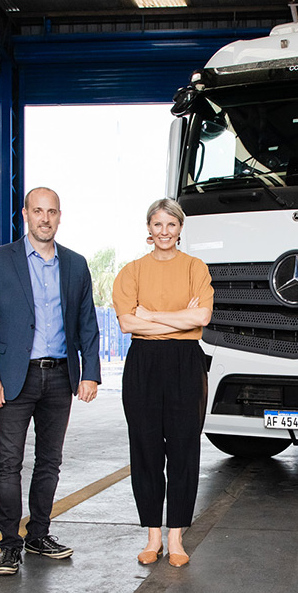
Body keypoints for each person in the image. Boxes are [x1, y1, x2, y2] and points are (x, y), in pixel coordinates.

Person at [0, 186, 101, 576]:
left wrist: (90, 371)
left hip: (60, 376)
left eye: (53, 212)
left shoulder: (76, 265)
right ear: (25, 214)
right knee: (8, 463)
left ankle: (39, 534)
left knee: (50, 462)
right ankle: (10, 545)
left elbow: (88, 324)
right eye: (38, 211)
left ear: (60, 217)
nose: (45, 218)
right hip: (14, 378)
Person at [112, 198, 213, 567]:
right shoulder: (132, 271)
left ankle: (176, 537)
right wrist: (179, 318)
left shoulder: (195, 268)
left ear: (180, 228)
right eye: (157, 224)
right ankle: (153, 536)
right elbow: (127, 323)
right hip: (144, 363)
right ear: (149, 229)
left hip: (186, 363)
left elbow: (201, 316)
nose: (164, 231)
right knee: (146, 448)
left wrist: (151, 315)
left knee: (184, 449)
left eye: (171, 225)